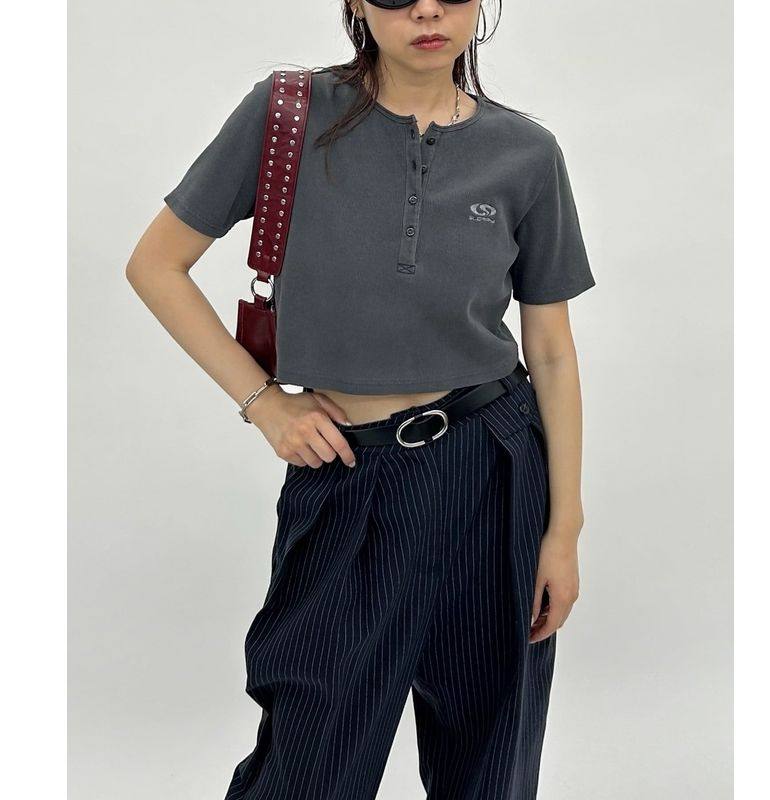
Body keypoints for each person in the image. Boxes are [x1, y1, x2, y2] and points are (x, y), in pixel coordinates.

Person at [125, 1, 596, 797]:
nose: (427, 10)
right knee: (310, 759)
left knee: (491, 760)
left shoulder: (526, 152)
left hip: (494, 465)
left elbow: (549, 348)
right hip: (348, 469)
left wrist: (563, 529)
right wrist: (264, 402)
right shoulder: (288, 115)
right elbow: (156, 265)